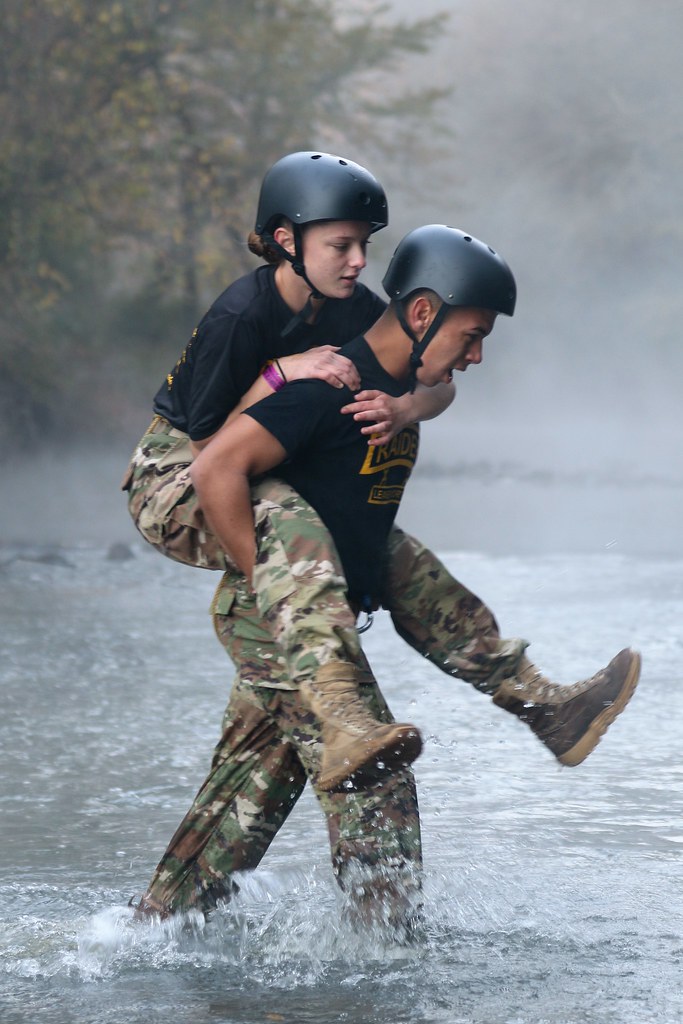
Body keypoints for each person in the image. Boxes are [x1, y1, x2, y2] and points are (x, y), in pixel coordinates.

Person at [132, 225, 640, 922]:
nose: (478, 354)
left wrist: (406, 406)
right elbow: (215, 466)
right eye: (471, 335)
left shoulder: (398, 386)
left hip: (308, 620)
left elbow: (433, 402)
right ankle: (384, 964)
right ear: (423, 314)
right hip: (279, 620)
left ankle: (155, 931)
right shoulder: (325, 387)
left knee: (246, 792)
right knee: (373, 771)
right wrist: (270, 588)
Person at [122, 150, 457, 784]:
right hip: (172, 472)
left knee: (374, 544)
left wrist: (404, 406)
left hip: (262, 464)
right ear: (286, 241)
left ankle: (526, 691)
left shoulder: (355, 309)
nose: (359, 261)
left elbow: (440, 380)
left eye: (364, 245)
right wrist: (282, 373)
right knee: (290, 521)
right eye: (342, 245)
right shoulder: (239, 316)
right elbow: (211, 454)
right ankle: (320, 682)